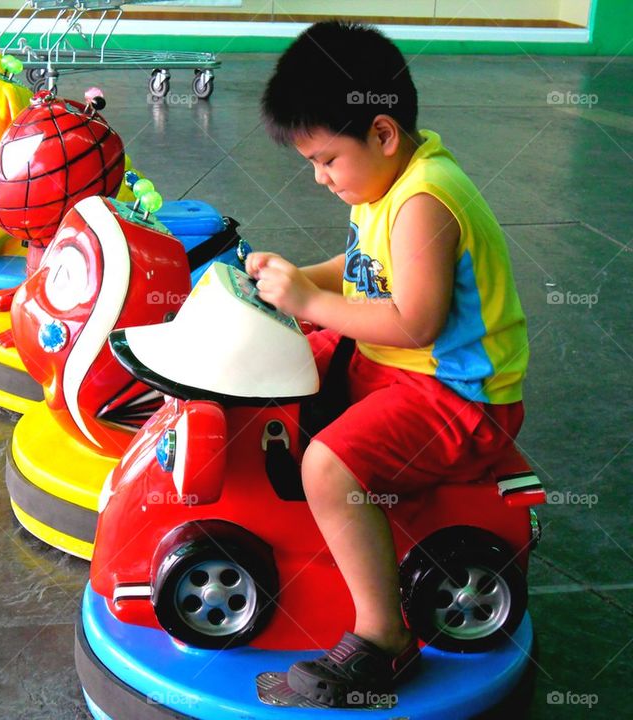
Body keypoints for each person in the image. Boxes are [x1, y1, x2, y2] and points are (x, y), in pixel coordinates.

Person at [247, 20, 529, 708]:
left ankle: (382, 637)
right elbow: (362, 270)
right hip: (400, 367)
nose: (319, 178)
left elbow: (414, 319)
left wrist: (310, 298)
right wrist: (299, 283)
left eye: (325, 160)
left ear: (381, 133)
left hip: (459, 397)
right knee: (291, 361)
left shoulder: (426, 200)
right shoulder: (384, 183)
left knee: (328, 464)